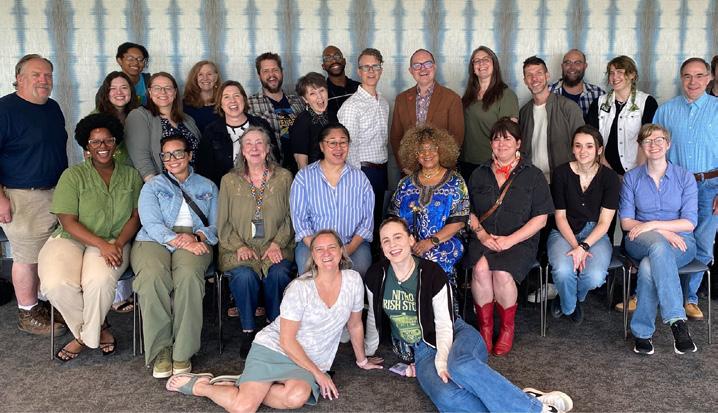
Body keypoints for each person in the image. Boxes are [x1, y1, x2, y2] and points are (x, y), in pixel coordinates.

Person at [364, 217, 574, 413]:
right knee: (447, 397)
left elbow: (444, 323)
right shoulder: (376, 276)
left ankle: (536, 410)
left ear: (411, 240)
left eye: (398, 237)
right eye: (386, 240)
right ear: (381, 247)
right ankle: (522, 401)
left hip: (456, 332)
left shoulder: (431, 273)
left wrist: (442, 361)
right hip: (422, 351)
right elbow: (374, 316)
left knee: (460, 366)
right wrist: (365, 353)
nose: (392, 244)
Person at [165, 230, 382, 411]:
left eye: (332, 247)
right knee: (243, 408)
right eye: (319, 249)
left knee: (296, 397)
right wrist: (319, 375)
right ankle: (202, 386)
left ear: (341, 251)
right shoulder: (300, 288)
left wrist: (362, 360)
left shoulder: (353, 281)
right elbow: (287, 341)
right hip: (275, 348)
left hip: (309, 359)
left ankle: (241, 384)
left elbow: (355, 324)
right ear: (312, 255)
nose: (326, 253)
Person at [38, 113, 142, 360]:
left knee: (99, 281)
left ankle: (83, 339)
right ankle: (98, 330)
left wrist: (116, 244)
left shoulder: (131, 175)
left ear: (116, 143)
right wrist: (100, 244)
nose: (102, 146)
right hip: (71, 238)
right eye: (95, 141)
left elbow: (136, 217)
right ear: (86, 145)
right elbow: (67, 221)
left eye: (108, 140)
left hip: (115, 239)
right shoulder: (72, 176)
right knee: (55, 284)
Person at [131, 135, 218, 378]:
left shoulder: (208, 186)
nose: (172, 159)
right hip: (153, 239)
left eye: (178, 153)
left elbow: (217, 225)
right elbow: (150, 223)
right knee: (151, 277)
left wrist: (196, 237)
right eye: (166, 155)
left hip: (196, 238)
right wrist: (179, 240)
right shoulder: (152, 186)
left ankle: (183, 351)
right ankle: (161, 349)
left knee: (189, 276)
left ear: (189, 155)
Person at [466, 118, 554, 356]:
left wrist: (509, 240)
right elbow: (467, 211)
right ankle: (485, 328)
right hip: (483, 238)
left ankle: (507, 328)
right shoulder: (478, 174)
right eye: (496, 139)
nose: (501, 144)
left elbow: (541, 219)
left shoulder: (533, 175)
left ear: (518, 143)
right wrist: (482, 235)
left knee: (503, 274)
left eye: (507, 139)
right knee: (480, 270)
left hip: (520, 241)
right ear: (490, 144)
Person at [0, 54, 67, 336]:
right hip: (22, 195)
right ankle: (27, 313)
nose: (44, 80)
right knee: (27, 257)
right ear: (19, 78)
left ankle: (42, 304)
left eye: (48, 75)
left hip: (55, 192)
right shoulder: (5, 109)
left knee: (49, 253)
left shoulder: (52, 107)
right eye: (36, 74)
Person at [619, 124, 698, 355]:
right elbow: (626, 223)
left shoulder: (685, 177)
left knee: (648, 266)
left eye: (659, 140)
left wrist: (653, 225)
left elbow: (689, 223)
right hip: (639, 239)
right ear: (641, 146)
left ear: (668, 144)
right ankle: (677, 321)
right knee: (658, 247)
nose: (653, 145)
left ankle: (642, 333)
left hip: (682, 242)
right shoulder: (631, 178)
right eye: (647, 141)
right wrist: (662, 232)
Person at [217, 127, 295, 358]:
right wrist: (239, 246)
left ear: (268, 148)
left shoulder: (284, 177)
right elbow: (223, 221)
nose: (254, 148)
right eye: (248, 144)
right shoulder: (229, 181)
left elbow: (292, 216)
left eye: (259, 143)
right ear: (242, 151)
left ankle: (275, 329)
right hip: (238, 249)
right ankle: (249, 331)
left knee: (278, 273)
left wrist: (277, 243)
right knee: (244, 276)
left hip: (277, 246)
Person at [653, 57, 718, 321]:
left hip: (711, 186)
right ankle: (666, 295)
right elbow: (653, 150)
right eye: (688, 76)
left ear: (709, 78)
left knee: (703, 244)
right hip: (675, 186)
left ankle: (689, 297)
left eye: (699, 75)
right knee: (671, 240)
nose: (693, 81)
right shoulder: (665, 111)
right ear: (681, 79)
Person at [547, 125, 620, 324]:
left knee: (595, 276)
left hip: (595, 233)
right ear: (572, 148)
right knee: (563, 271)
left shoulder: (610, 178)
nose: (583, 151)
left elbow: (605, 222)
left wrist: (584, 247)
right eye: (578, 145)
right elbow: (560, 217)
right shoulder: (561, 173)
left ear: (599, 150)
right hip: (564, 232)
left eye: (589, 146)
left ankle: (568, 297)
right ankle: (570, 306)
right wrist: (576, 247)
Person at [290, 123, 374, 276]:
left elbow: (367, 221)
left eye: (343, 142)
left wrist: (348, 249)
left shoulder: (360, 178)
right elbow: (300, 221)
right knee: (309, 274)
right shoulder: (304, 177)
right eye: (332, 143)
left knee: (359, 271)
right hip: (313, 243)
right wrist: (320, 249)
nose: (338, 148)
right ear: (322, 146)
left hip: (351, 243)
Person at [388, 125, 469, 285]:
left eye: (432, 148)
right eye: (421, 150)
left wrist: (430, 242)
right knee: (401, 260)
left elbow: (459, 222)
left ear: (441, 150)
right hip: (408, 244)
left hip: (444, 242)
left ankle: (438, 300)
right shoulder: (405, 184)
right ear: (414, 154)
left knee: (430, 262)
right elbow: (393, 219)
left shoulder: (455, 181)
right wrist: (407, 241)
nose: (427, 154)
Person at [338, 48, 390, 237]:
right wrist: (356, 181)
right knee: (362, 222)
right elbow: (347, 148)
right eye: (366, 67)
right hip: (363, 171)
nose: (371, 71)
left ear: (381, 70)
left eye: (375, 66)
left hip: (382, 169)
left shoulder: (383, 102)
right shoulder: (351, 106)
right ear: (359, 71)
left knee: (378, 219)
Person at [390, 48, 464, 174]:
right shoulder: (401, 99)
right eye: (417, 65)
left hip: (441, 171)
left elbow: (456, 138)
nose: (423, 69)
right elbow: (395, 137)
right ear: (411, 71)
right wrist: (404, 166)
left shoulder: (452, 98)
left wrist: (439, 167)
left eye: (427, 64)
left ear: (434, 67)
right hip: (410, 171)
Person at [587, 55, 657, 175]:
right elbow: (593, 139)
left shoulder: (647, 102)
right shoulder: (598, 103)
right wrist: (607, 170)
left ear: (632, 75)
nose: (615, 77)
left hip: (636, 172)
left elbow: (648, 139)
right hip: (604, 170)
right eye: (611, 73)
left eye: (620, 72)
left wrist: (636, 175)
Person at [196, 80, 274, 186]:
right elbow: (204, 170)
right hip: (225, 190)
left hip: (262, 188)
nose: (232, 101)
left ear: (244, 99)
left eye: (236, 96)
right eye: (226, 97)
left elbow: (274, 159)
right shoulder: (211, 131)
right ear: (220, 103)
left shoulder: (261, 125)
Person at [125, 72, 201, 182]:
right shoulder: (139, 116)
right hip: (161, 186)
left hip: (194, 184)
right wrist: (157, 188)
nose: (163, 92)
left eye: (168, 88)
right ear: (150, 92)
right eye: (157, 88)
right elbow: (141, 159)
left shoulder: (188, 119)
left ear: (175, 92)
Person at [519, 56, 585, 182]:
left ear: (547, 75)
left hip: (564, 180)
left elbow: (582, 145)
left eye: (539, 73)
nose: (534, 79)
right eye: (529, 75)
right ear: (525, 81)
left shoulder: (568, 107)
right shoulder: (524, 112)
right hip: (533, 181)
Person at [460, 46, 519, 180]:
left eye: (486, 59)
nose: (481, 63)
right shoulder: (468, 96)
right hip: (466, 161)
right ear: (473, 68)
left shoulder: (506, 95)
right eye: (476, 61)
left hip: (492, 163)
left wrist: (500, 162)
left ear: (494, 64)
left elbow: (509, 136)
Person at [247, 52, 305, 172]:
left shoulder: (299, 101)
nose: (271, 75)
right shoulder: (250, 104)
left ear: (281, 72)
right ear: (259, 75)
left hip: (301, 168)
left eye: (275, 70)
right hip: (271, 171)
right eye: (266, 71)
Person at [289, 72, 337, 169]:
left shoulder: (333, 116)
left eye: (322, 90)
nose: (319, 97)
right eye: (312, 93)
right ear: (305, 99)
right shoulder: (302, 122)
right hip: (313, 175)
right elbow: (301, 163)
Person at [94, 71, 139, 167]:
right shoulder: (96, 118)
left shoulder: (139, 115)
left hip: (136, 169)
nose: (119, 92)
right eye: (113, 88)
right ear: (106, 92)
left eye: (124, 88)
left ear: (131, 91)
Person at [549, 48, 605, 118]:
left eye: (577, 63)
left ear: (585, 66)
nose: (572, 67)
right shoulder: (548, 92)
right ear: (562, 66)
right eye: (568, 63)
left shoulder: (598, 94)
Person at [182, 60, 222, 133]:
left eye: (209, 74)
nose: (205, 78)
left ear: (216, 78)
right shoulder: (184, 105)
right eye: (200, 74)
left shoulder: (224, 103)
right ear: (195, 78)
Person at [322, 45, 361, 116]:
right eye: (328, 58)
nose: (334, 60)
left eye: (337, 56)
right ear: (323, 66)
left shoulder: (360, 88)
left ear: (344, 61)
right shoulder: (321, 94)